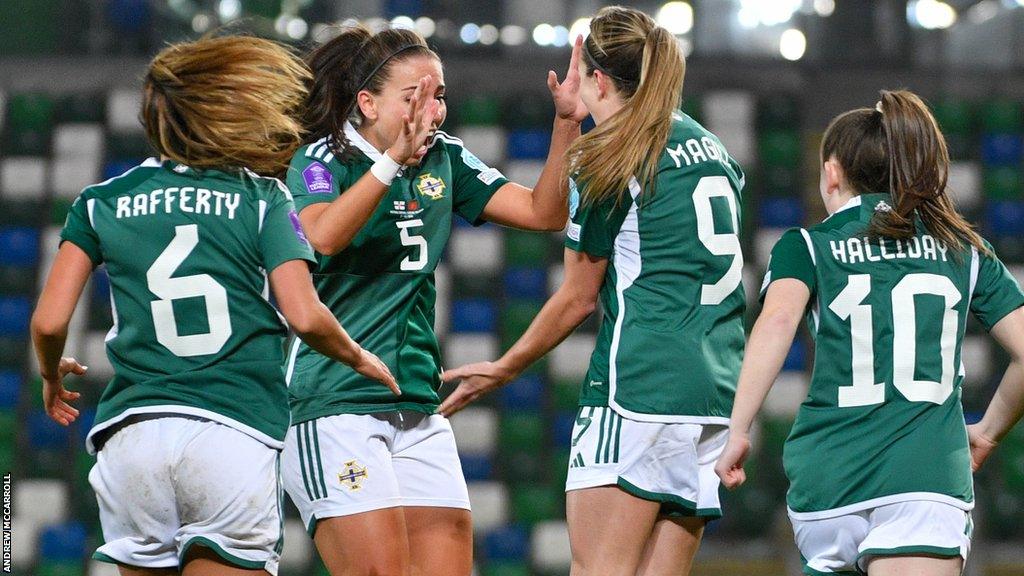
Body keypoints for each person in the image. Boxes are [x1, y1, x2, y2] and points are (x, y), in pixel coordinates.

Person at [30, 35, 396, 576]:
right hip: (231, 428)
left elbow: (49, 320)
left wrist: (49, 375)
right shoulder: (261, 198)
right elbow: (304, 314)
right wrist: (359, 358)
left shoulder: (99, 202)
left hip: (132, 434)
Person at [439, 7, 746, 575]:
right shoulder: (712, 148)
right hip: (713, 396)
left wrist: (504, 366)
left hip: (637, 387)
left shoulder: (606, 156)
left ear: (596, 79)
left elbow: (579, 296)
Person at [281, 21, 585, 576]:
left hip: (417, 404)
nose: (432, 110)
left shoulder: (445, 159)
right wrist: (390, 162)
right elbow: (321, 236)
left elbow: (546, 212)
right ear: (367, 104)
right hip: (335, 403)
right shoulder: (321, 160)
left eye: (439, 94)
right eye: (414, 96)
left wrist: (566, 123)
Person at [715, 90, 1024, 576]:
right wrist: (987, 431)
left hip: (829, 486)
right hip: (924, 481)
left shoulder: (807, 246)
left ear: (832, 172)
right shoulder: (965, 248)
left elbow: (775, 324)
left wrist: (737, 429)